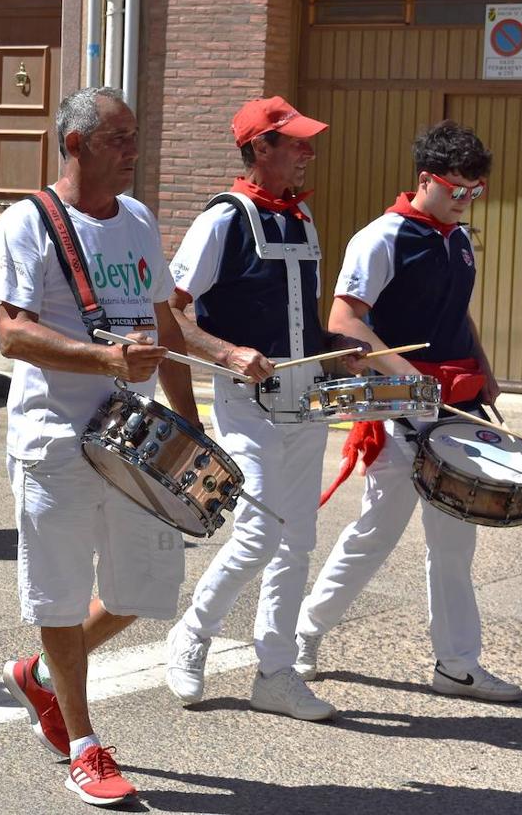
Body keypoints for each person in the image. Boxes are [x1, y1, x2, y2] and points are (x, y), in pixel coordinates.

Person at [0, 87, 200, 806]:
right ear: (74, 145)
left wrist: (187, 423)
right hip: (53, 436)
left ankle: (43, 674)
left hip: (132, 438)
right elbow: (13, 334)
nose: (133, 151)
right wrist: (107, 360)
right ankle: (83, 743)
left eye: (134, 136)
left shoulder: (136, 219)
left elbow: (167, 331)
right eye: (118, 139)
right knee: (61, 591)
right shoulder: (27, 223)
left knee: (145, 589)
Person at [294, 121, 522, 701]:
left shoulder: (460, 239)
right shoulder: (382, 237)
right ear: (426, 180)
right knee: (375, 532)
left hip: (457, 407)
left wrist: (486, 373)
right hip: (399, 407)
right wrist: (412, 380)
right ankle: (304, 634)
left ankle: (457, 664)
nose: (467, 201)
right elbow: (345, 321)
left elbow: (457, 318)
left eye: (476, 191)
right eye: (458, 190)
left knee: (454, 543)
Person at [163, 96, 364, 721]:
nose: (308, 152)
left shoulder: (303, 217)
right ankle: (191, 634)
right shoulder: (223, 219)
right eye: (296, 143)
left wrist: (337, 350)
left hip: (304, 395)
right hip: (246, 401)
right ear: (260, 150)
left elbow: (298, 321)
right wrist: (226, 354)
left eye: (307, 142)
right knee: (257, 533)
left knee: (297, 539)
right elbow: (168, 311)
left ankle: (274, 672)